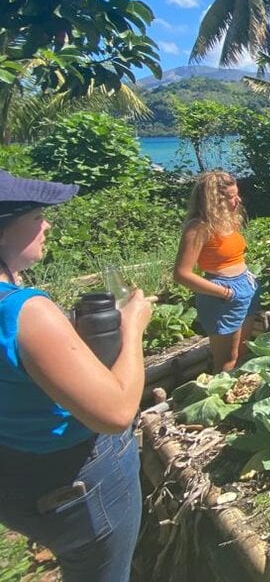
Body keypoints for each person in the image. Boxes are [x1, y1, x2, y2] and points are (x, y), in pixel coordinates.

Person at [0, 171, 153, 582]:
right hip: (76, 482)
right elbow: (118, 412)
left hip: (15, 470)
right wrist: (133, 327)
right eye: (35, 217)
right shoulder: (25, 311)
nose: (46, 225)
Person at [174, 171, 260, 372]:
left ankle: (237, 396)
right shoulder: (198, 227)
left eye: (236, 194)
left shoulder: (230, 220)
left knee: (242, 351)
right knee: (226, 361)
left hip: (245, 285)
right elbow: (181, 273)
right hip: (222, 294)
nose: (237, 200)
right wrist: (225, 292)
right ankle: (218, 399)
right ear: (214, 200)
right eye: (230, 197)